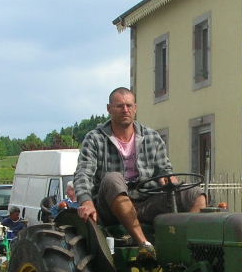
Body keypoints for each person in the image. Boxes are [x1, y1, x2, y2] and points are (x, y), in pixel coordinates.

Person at [73, 87, 206, 260]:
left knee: (196, 194)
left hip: (147, 201)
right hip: (110, 205)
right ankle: (145, 245)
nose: (125, 110)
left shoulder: (152, 137)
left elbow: (164, 170)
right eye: (119, 106)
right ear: (109, 109)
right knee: (113, 178)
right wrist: (86, 201)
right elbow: (83, 173)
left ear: (135, 108)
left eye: (129, 105)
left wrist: (169, 179)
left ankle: (185, 246)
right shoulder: (95, 139)